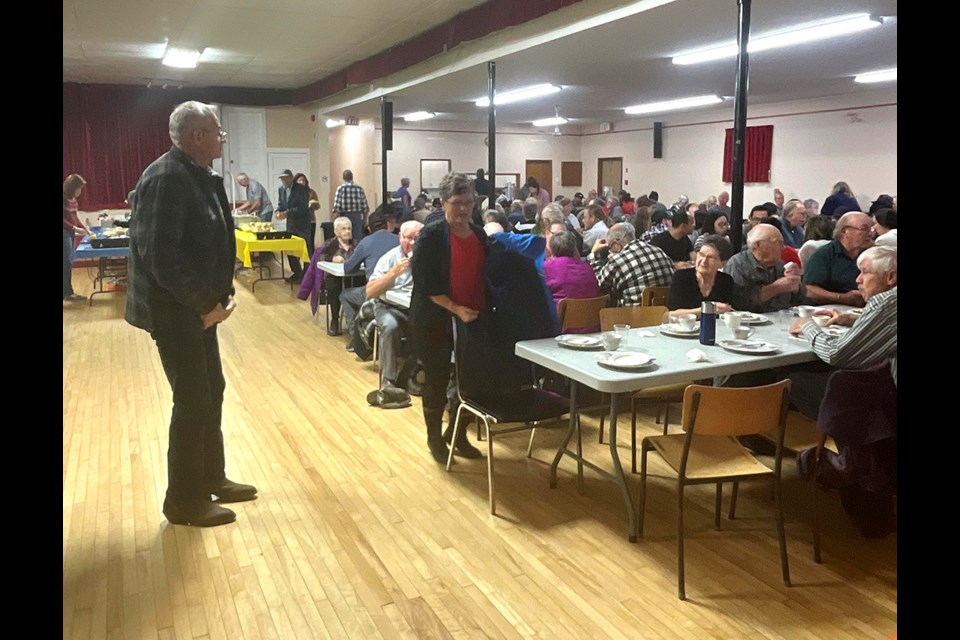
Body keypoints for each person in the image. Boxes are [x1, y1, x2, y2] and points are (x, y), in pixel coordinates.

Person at [126, 100, 255, 527]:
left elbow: (213, 241)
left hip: (199, 309)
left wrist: (220, 294)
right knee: (194, 399)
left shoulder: (200, 175)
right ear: (196, 135)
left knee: (211, 389)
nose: (222, 136)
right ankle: (182, 501)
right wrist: (206, 304)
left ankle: (210, 477)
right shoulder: (165, 178)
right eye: (217, 130)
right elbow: (160, 258)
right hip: (174, 311)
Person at [410, 171, 486, 463]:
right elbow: (425, 283)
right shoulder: (431, 235)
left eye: (469, 202)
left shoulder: (478, 234)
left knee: (471, 381)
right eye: (457, 202)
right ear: (442, 203)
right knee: (437, 380)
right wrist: (456, 309)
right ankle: (434, 439)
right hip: (434, 317)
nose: (464, 208)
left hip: (470, 318)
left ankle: (456, 433)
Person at [788, 245, 898, 412]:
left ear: (891, 277)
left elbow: (837, 353)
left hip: (889, 401)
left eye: (865, 272)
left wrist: (807, 326)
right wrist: (853, 319)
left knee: (790, 378)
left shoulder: (886, 302)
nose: (858, 279)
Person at [367, 220, 424, 395]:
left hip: (412, 308)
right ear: (400, 237)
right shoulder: (390, 258)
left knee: (430, 327)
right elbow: (370, 292)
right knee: (390, 326)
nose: (413, 243)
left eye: (417, 238)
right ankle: (388, 381)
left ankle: (409, 375)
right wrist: (394, 273)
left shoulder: (427, 257)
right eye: (408, 238)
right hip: (387, 306)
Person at [588, 222, 675, 306]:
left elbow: (599, 285)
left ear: (616, 243)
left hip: (633, 315)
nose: (610, 252)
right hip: (663, 311)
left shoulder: (619, 260)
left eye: (610, 248)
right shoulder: (658, 250)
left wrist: (593, 255)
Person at [724, 223, 804, 313]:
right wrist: (776, 287)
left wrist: (795, 284)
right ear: (758, 245)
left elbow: (800, 299)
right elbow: (739, 303)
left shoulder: (780, 265)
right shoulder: (737, 265)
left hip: (782, 320)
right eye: (778, 243)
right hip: (750, 323)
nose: (783, 247)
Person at [802, 211, 874, 306]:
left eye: (871, 229)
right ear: (844, 231)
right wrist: (841, 298)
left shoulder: (873, 253)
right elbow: (809, 289)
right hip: (830, 309)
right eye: (864, 229)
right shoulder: (824, 255)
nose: (870, 234)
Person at [666, 235, 734, 318]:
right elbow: (672, 315)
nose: (703, 261)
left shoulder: (726, 281)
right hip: (683, 329)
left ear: (722, 263)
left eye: (711, 258)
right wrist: (708, 309)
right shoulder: (681, 277)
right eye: (701, 255)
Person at [543, 230, 601, 315]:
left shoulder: (547, 268)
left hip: (559, 325)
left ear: (552, 250)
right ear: (575, 249)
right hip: (592, 324)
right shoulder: (588, 268)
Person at [317, 216, 355, 336]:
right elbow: (319, 258)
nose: (347, 232)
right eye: (343, 229)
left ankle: (355, 322)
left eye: (349, 229)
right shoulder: (330, 244)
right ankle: (334, 319)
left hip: (352, 277)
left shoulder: (356, 244)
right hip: (334, 278)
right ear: (336, 232)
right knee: (334, 287)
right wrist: (332, 258)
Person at [275, 169, 311, 284]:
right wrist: (278, 212)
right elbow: (281, 204)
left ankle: (307, 275)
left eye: (285, 178)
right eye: (281, 179)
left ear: (291, 178)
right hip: (290, 224)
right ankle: (297, 272)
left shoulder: (301, 189)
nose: (283, 181)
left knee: (305, 249)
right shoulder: (281, 189)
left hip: (302, 223)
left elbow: (303, 207)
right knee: (290, 249)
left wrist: (287, 213)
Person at [63, 173, 93, 302]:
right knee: (66, 263)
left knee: (68, 263)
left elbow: (74, 217)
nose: (80, 192)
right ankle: (67, 293)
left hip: (69, 233)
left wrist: (84, 229)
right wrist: (75, 229)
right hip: (64, 232)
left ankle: (68, 292)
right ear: (72, 187)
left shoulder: (73, 200)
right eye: (79, 188)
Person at [332, 169, 370, 241]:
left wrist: (335, 220)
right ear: (352, 177)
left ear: (343, 178)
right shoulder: (359, 189)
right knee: (357, 239)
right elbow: (365, 207)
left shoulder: (340, 188)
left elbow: (336, 207)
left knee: (344, 238)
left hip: (344, 216)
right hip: (357, 216)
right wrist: (365, 220)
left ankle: (346, 251)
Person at [295, 172, 320, 257]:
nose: (301, 182)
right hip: (298, 222)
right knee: (298, 244)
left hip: (310, 221)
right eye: (299, 180)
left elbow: (317, 206)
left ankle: (310, 265)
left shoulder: (311, 192)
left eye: (303, 180)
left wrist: (312, 204)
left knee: (309, 243)